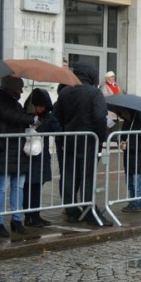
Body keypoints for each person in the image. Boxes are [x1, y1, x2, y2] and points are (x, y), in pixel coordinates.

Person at [54, 62, 108, 225]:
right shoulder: (94, 92)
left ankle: (71, 210)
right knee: (87, 176)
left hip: (70, 140)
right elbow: (99, 117)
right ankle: (88, 209)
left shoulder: (64, 92)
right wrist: (100, 137)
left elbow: (58, 116)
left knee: (70, 175)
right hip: (89, 141)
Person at [0, 76, 36, 237]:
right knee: (1, 187)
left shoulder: (14, 103)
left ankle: (17, 219)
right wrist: (31, 118)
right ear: (10, 89)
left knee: (18, 186)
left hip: (17, 150)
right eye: (19, 88)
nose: (21, 91)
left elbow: (18, 118)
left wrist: (29, 112)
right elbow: (11, 116)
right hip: (3, 149)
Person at [22, 88, 60, 227]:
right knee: (28, 186)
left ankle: (36, 215)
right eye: (39, 106)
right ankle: (29, 215)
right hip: (27, 156)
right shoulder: (24, 115)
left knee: (37, 186)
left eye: (43, 106)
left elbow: (57, 128)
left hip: (41, 156)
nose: (41, 109)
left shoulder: (48, 117)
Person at [116, 110, 141, 213]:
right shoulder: (126, 124)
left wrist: (129, 146)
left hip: (138, 160)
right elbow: (121, 137)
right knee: (130, 183)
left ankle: (137, 203)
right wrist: (121, 142)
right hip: (128, 160)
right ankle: (132, 202)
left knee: (137, 183)